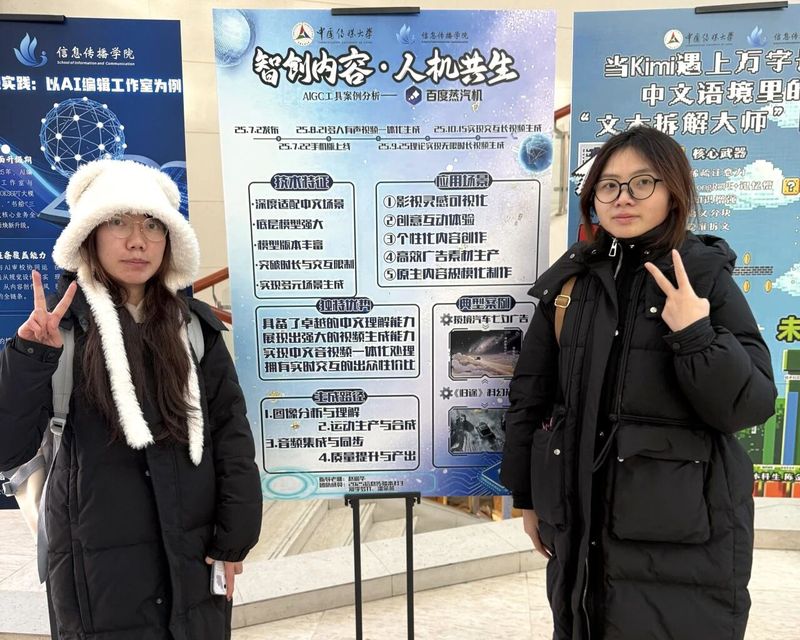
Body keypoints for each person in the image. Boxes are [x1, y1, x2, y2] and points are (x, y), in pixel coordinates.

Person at [500, 126, 777, 640]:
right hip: (579, 524)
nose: (623, 198)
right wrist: (527, 497)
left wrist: (695, 334)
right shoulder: (570, 283)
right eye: (609, 185)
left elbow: (751, 403)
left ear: (673, 191)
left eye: (642, 183)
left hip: (681, 540)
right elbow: (532, 395)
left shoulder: (702, 276)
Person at [0, 159, 263, 639]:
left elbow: (231, 435)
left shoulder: (194, 328)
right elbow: (8, 448)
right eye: (118, 222)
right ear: (89, 235)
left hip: (192, 562)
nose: (138, 241)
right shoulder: (60, 331)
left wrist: (235, 535)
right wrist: (30, 358)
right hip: (94, 573)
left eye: (152, 225)